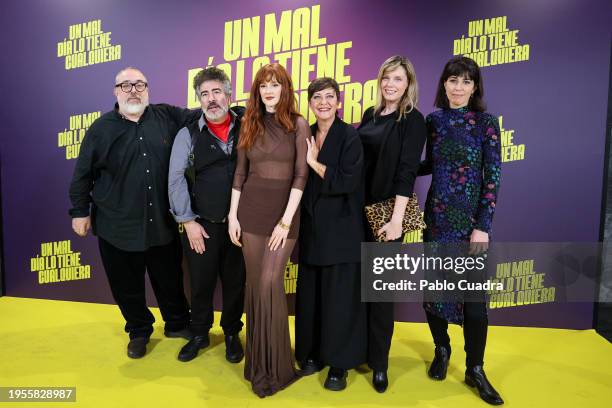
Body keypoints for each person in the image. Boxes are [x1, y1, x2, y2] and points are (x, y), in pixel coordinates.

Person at [69, 67, 198, 359]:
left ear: (148, 89)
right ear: (116, 91)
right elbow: (82, 175)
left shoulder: (167, 116)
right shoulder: (100, 129)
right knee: (126, 286)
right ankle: (139, 331)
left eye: (139, 84)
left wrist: (235, 110)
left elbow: (202, 116)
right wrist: (79, 211)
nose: (133, 90)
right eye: (125, 85)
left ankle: (177, 324)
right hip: (117, 225)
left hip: (161, 224)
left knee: (170, 280)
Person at [419, 56, 503, 405]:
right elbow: (427, 164)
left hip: (470, 224)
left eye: (466, 81)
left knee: (474, 302)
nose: (458, 87)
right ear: (444, 84)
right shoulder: (433, 120)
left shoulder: (486, 123)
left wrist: (483, 226)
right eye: (453, 80)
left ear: (475, 87)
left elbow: (493, 176)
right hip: (437, 219)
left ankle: (476, 368)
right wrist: (392, 166)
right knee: (435, 292)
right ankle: (442, 349)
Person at [228, 63, 309, 397]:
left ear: (285, 88)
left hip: (283, 217)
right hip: (250, 215)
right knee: (255, 285)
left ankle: (277, 368)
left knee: (269, 284)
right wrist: (232, 216)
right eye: (263, 85)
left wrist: (286, 220)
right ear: (257, 91)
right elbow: (240, 174)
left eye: (275, 84)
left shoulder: (299, 125)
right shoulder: (250, 122)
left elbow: (300, 176)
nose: (269, 90)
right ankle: (258, 364)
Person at [357, 55, 427, 392]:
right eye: (386, 77)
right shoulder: (370, 115)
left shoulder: (412, 120)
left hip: (388, 215)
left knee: (380, 293)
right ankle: (361, 352)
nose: (390, 84)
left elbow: (407, 171)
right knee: (358, 289)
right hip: (357, 212)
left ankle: (380, 365)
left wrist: (398, 220)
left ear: (408, 84)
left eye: (398, 79)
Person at [168, 67, 245, 363]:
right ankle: (199, 333)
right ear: (198, 100)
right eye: (204, 94)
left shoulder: (247, 125)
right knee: (200, 284)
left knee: (236, 283)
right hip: (202, 225)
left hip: (240, 226)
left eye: (216, 92)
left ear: (228, 95)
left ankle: (230, 334)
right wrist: (188, 222)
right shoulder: (187, 134)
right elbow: (175, 179)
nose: (211, 99)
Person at [295, 78, 367, 391]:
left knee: (339, 300)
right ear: (309, 103)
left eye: (329, 97)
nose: (323, 103)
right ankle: (312, 354)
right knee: (311, 296)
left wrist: (314, 162)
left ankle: (339, 364)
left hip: (342, 230)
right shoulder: (305, 133)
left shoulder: (350, 135)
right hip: (312, 229)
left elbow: (348, 181)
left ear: (338, 102)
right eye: (317, 98)